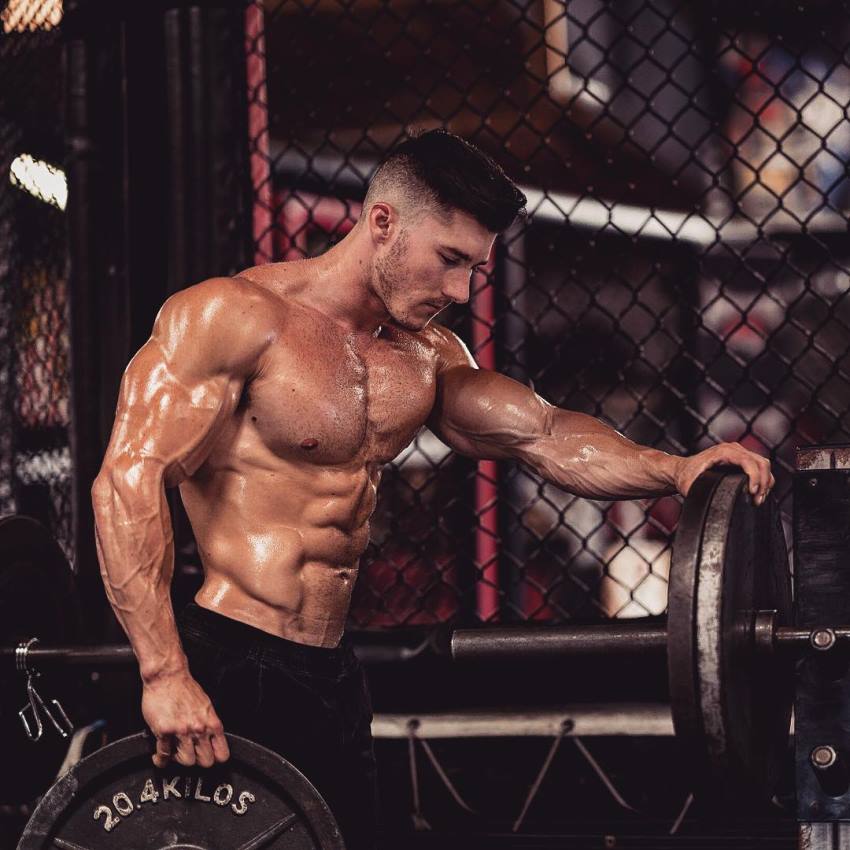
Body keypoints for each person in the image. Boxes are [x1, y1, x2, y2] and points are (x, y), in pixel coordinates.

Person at [91, 129, 774, 849]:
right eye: (449, 260)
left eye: (474, 268)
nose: (459, 290)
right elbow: (128, 478)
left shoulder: (427, 356)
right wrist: (164, 671)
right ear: (382, 222)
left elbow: (543, 435)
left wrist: (677, 469)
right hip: (227, 660)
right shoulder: (233, 318)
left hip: (331, 671)